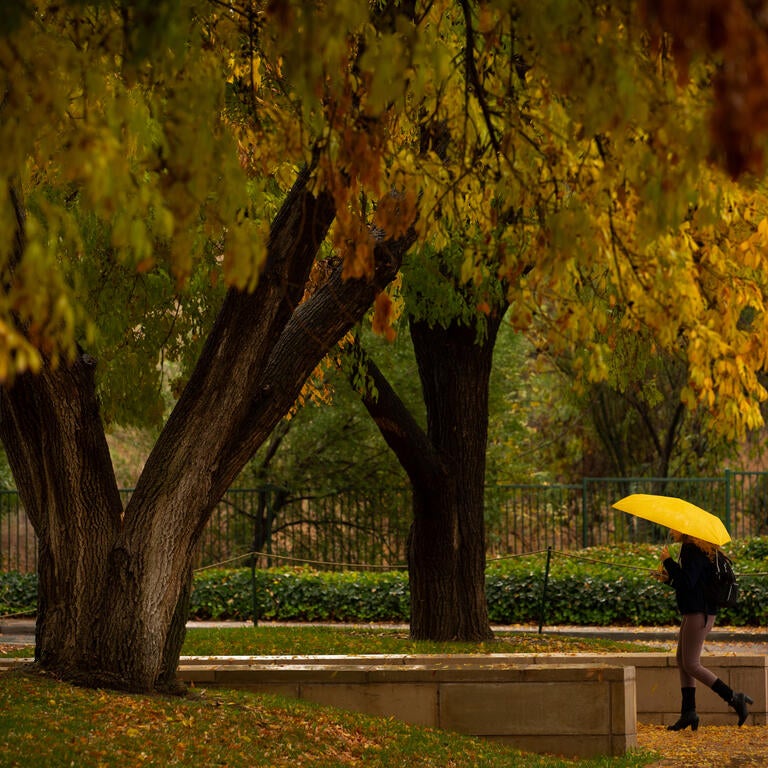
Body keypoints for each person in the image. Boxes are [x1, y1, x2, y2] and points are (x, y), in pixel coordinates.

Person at [658, 529, 753, 731]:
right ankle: (688, 712)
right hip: (696, 611)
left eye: (673, 528)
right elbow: (692, 584)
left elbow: (687, 581)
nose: (670, 531)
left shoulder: (691, 549)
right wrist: (668, 579)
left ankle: (734, 698)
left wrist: (668, 562)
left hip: (698, 614)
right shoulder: (698, 549)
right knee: (681, 660)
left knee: (691, 664)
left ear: (684, 530)